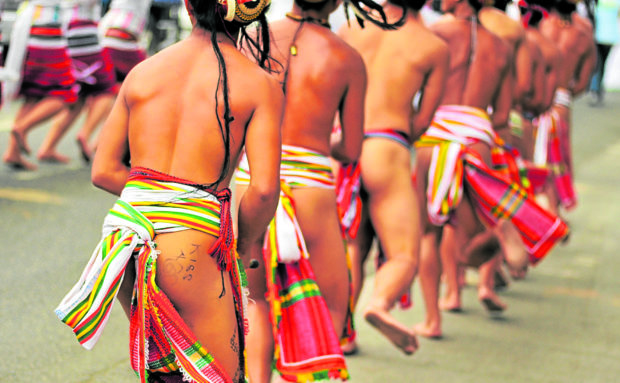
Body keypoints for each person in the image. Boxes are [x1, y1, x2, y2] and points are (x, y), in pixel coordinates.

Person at [55, 1, 283, 382]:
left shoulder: (144, 72)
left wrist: (157, 196)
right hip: (190, 242)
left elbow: (104, 170)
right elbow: (262, 189)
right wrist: (243, 247)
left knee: (166, 376)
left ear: (188, 7)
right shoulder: (257, 83)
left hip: (125, 238)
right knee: (221, 377)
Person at [234, 0, 380, 380]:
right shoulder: (346, 57)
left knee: (254, 301)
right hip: (310, 183)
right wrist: (316, 142)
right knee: (334, 303)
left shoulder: (252, 37)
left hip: (252, 175)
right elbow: (350, 149)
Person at [414, 0, 569, 338]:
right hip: (478, 135)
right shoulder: (501, 45)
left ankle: (432, 319)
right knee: (469, 245)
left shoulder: (436, 32)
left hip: (438, 132)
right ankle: (499, 233)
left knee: (430, 233)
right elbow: (502, 115)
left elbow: (416, 92)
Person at [338, 0, 448, 350]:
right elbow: (423, 122)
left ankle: (342, 334)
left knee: (355, 245)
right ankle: (380, 303)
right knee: (404, 255)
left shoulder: (352, 27)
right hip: (387, 146)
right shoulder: (432, 46)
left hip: (342, 145)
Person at [36, 0, 117, 164]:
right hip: (85, 33)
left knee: (78, 97)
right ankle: (85, 134)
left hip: (67, 32)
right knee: (107, 91)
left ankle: (48, 147)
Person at [2, 0, 78, 170]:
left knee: (33, 96)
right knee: (67, 94)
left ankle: (13, 152)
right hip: (48, 30)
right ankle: (22, 127)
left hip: (32, 30)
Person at [539, 0, 596, 213]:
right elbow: (582, 82)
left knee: (530, 165)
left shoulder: (538, 24)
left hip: (532, 102)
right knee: (556, 164)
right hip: (561, 104)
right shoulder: (583, 30)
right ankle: (553, 213)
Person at [589, 0, 620, 105]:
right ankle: (598, 88)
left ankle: (595, 89)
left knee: (598, 64)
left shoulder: (599, 2)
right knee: (602, 64)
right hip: (611, 37)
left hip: (598, 36)